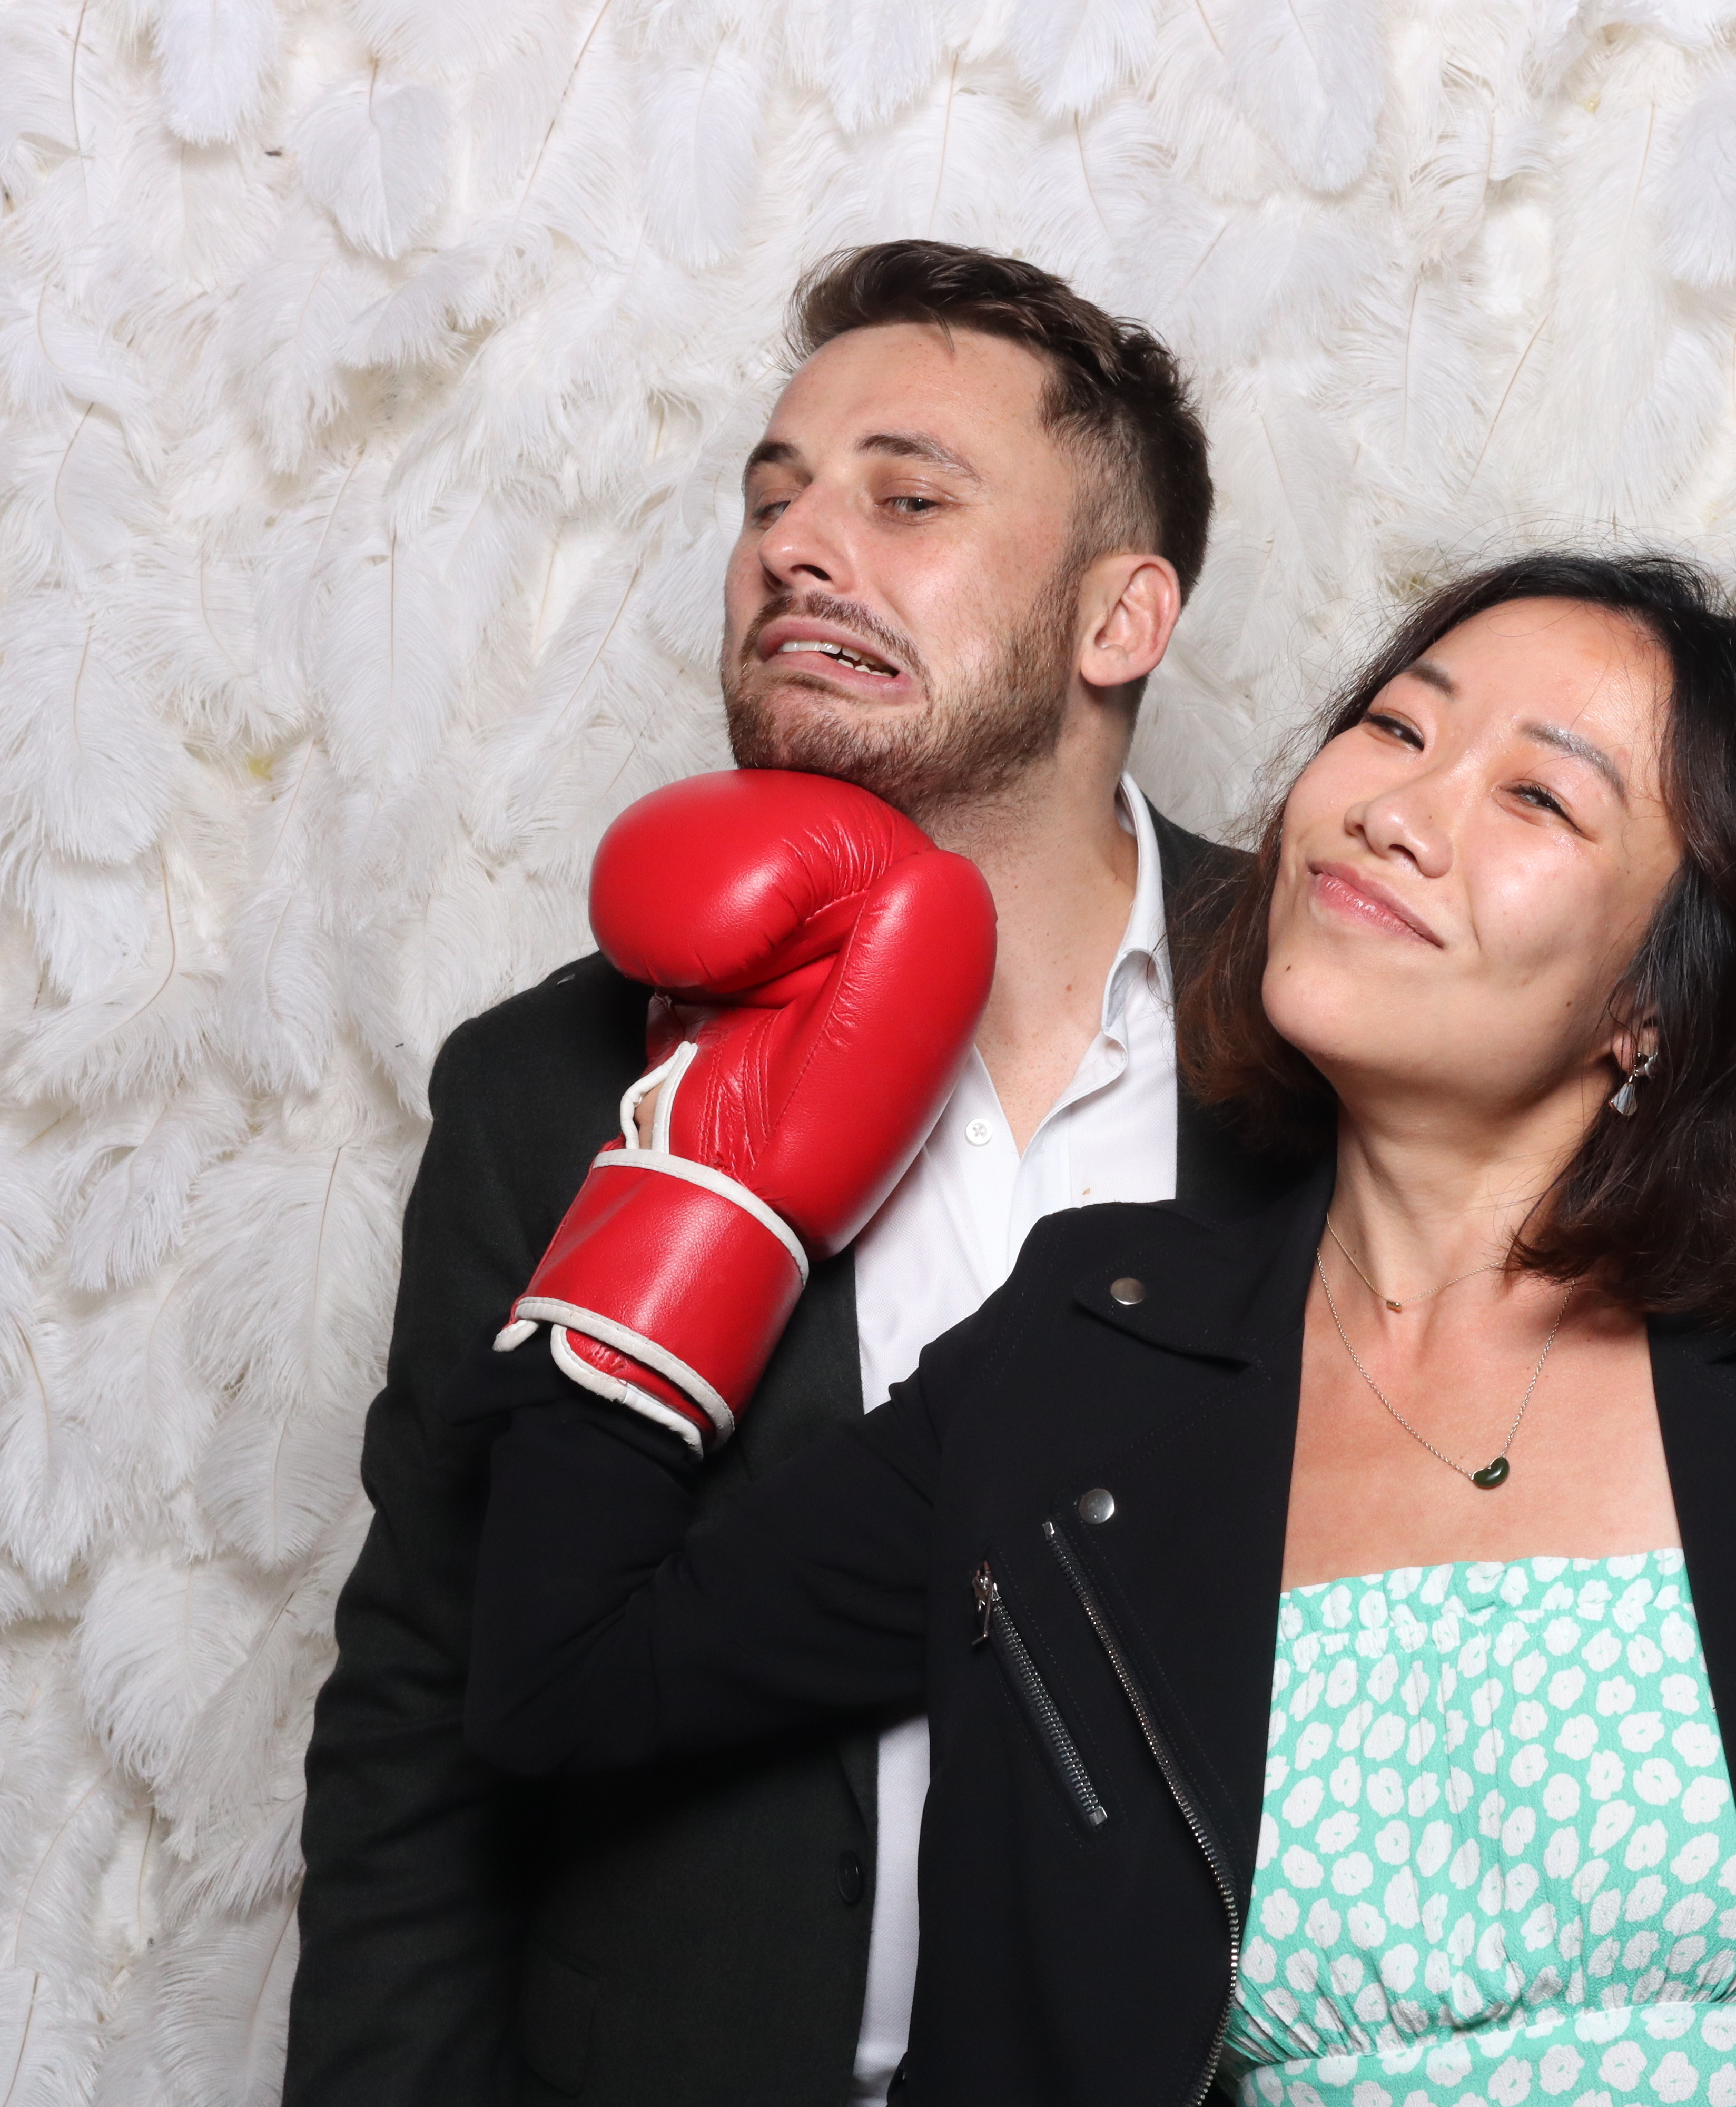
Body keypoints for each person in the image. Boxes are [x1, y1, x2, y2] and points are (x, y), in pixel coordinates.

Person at [456, 551, 1736, 2106]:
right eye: (1394, 728)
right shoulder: (1084, 1368)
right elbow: (569, 1685)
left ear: (1654, 1002)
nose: (1395, 806)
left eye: (1541, 800)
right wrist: (699, 1205)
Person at [284, 241, 1286, 2107]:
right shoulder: (552, 1082)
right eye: (772, 501)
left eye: (906, 499)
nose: (796, 548)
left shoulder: (1332, 1028)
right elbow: (424, 1703)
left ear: (1120, 618)